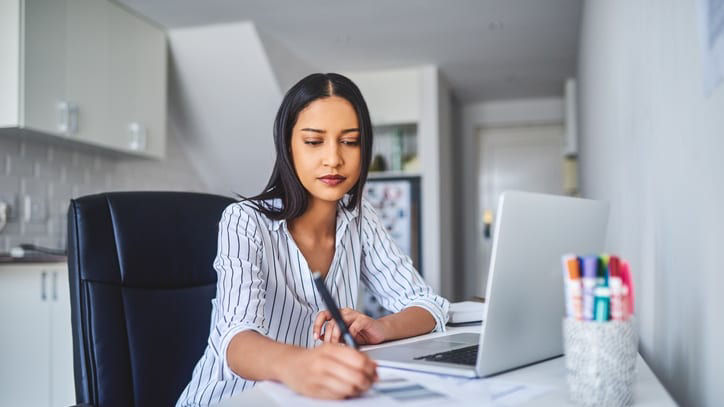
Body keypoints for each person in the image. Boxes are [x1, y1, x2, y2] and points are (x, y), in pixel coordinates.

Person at [177, 73, 449, 406]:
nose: (333, 158)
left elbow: (428, 305)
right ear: (288, 145)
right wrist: (298, 364)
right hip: (231, 399)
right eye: (314, 141)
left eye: (349, 141)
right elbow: (236, 341)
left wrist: (381, 328)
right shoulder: (245, 221)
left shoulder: (362, 218)